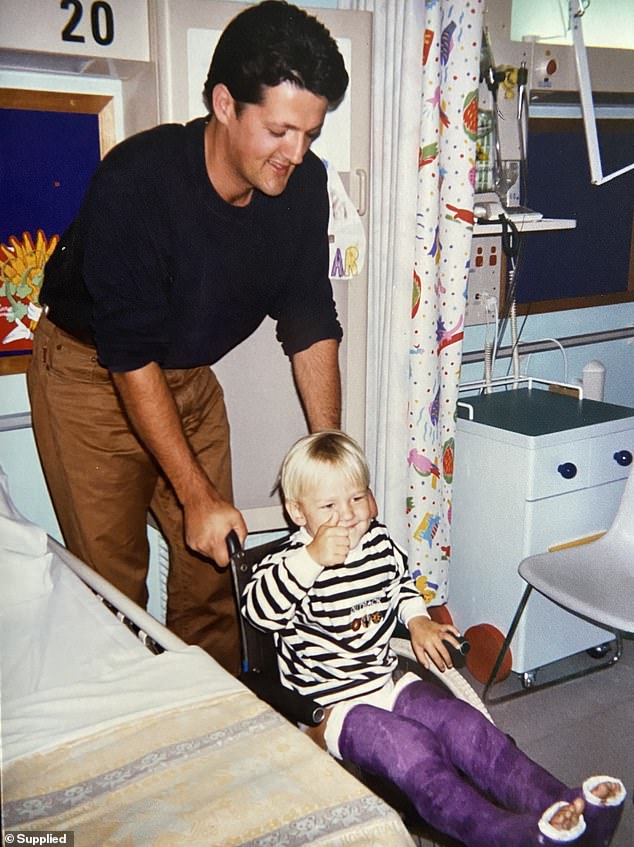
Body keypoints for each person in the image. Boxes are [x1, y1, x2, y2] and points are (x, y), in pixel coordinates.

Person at [27, 1, 349, 676]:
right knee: (116, 593)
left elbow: (309, 315)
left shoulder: (304, 184)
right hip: (90, 376)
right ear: (225, 103)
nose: (297, 153)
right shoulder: (138, 183)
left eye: (310, 133)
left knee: (214, 574)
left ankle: (210, 726)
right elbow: (127, 350)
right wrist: (193, 493)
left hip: (185, 374)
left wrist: (333, 462)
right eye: (281, 130)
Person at [242, 431, 626, 847]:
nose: (349, 516)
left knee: (469, 728)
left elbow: (402, 588)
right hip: (332, 707)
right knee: (413, 750)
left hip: (386, 682)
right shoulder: (289, 563)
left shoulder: (379, 544)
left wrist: (419, 620)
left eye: (356, 498)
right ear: (298, 512)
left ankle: (567, 809)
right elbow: (260, 613)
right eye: (329, 506)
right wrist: (310, 559)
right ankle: (503, 836)